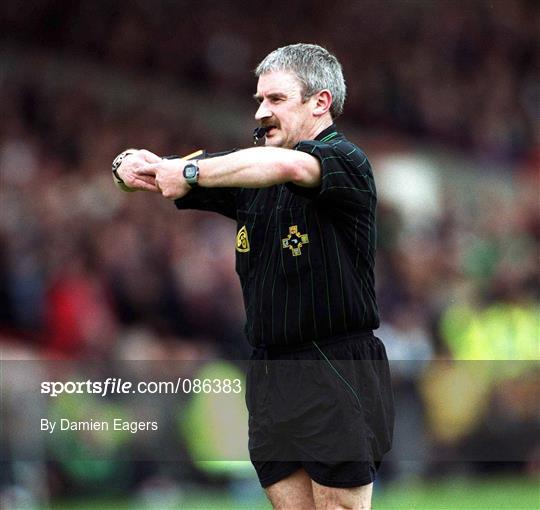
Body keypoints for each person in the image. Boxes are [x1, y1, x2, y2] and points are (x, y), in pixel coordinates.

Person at [115, 43, 394, 510]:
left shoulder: (345, 160)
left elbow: (281, 167)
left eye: (277, 100)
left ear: (320, 103)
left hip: (334, 364)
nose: (262, 111)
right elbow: (166, 174)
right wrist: (132, 164)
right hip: (269, 368)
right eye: (259, 100)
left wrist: (185, 168)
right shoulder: (250, 167)